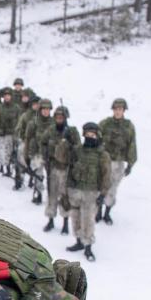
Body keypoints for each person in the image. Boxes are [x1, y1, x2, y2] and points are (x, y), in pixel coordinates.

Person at [66, 123, 112, 262]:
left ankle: (88, 247)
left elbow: (106, 176)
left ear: (97, 136)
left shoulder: (102, 155)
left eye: (92, 134)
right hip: (76, 190)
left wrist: (103, 194)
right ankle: (79, 241)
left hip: (91, 192)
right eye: (87, 134)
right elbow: (70, 168)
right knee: (75, 217)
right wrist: (67, 188)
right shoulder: (77, 150)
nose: (89, 137)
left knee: (88, 220)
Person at [41, 106, 80, 235]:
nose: (59, 119)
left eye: (61, 117)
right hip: (53, 167)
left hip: (66, 169)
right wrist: (45, 156)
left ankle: (65, 223)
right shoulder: (50, 130)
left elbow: (78, 149)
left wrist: (69, 142)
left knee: (65, 197)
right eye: (57, 117)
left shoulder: (72, 131)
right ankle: (51, 219)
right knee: (52, 194)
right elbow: (43, 143)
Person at [97, 98, 137, 225]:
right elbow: (94, 138)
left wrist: (130, 164)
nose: (118, 112)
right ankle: (98, 211)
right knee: (100, 186)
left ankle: (107, 213)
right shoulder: (105, 124)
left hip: (118, 163)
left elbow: (132, 145)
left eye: (120, 109)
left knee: (112, 189)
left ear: (124, 110)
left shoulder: (129, 126)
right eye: (116, 109)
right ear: (113, 110)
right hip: (104, 161)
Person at [25, 98, 55, 205]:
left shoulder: (54, 123)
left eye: (48, 109)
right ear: (40, 109)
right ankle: (39, 194)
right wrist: (26, 156)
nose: (46, 111)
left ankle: (51, 196)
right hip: (37, 154)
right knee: (38, 175)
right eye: (44, 109)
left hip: (51, 154)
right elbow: (27, 140)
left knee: (52, 177)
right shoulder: (33, 123)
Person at [0, 88, 21, 177]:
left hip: (14, 133)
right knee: (6, 152)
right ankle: (7, 169)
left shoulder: (16, 107)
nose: (7, 97)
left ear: (11, 96)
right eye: (5, 96)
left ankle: (17, 171)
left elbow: (20, 121)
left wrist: (18, 132)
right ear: (3, 97)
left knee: (16, 153)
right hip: (3, 134)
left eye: (8, 96)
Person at [14, 95, 40, 190]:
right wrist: (20, 138)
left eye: (38, 104)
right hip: (26, 141)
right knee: (21, 160)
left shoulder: (43, 116)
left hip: (38, 143)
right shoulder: (25, 115)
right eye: (34, 104)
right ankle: (19, 181)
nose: (36, 106)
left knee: (37, 163)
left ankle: (35, 182)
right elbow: (18, 128)